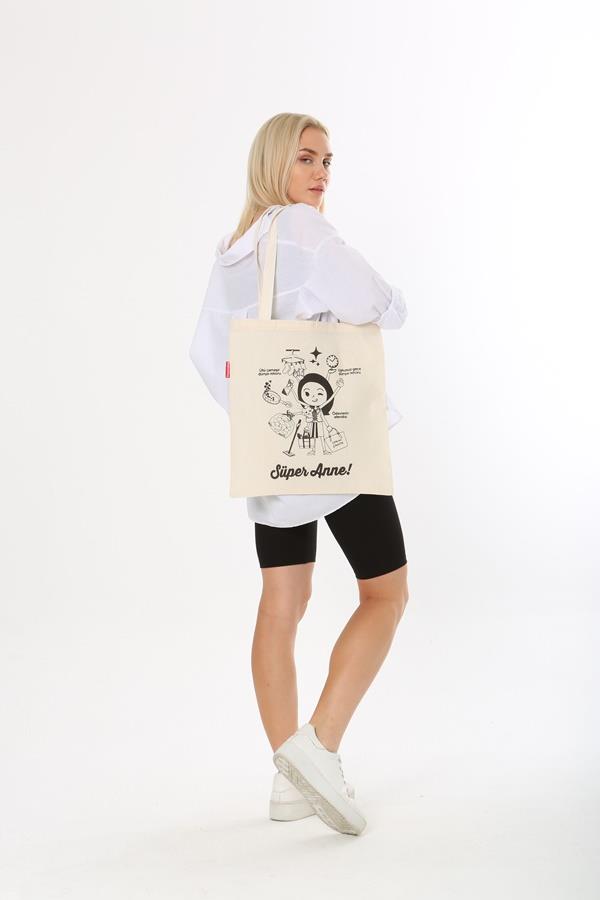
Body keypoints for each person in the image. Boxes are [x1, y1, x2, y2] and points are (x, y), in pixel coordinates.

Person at [189, 113, 410, 835]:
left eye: (327, 161)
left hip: (270, 450)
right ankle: (320, 745)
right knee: (387, 593)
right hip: (340, 447)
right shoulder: (303, 231)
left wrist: (257, 415)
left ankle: (288, 778)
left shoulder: (232, 250)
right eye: (306, 158)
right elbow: (380, 304)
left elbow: (205, 355)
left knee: (281, 605)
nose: (320, 174)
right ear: (274, 164)